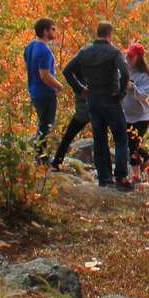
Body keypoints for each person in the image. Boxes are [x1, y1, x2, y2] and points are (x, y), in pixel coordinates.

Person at [63, 22, 133, 191]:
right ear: (110, 34)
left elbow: (67, 71)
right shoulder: (114, 52)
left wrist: (80, 88)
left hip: (93, 100)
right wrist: (121, 94)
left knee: (99, 139)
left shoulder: (85, 51)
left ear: (98, 33)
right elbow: (125, 73)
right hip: (111, 99)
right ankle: (121, 176)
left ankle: (104, 178)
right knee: (121, 139)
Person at [24, 18, 62, 164]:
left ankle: (40, 155)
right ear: (45, 31)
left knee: (43, 123)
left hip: (34, 91)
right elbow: (44, 75)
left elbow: (28, 65)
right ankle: (41, 158)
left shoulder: (30, 46)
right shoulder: (44, 50)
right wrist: (59, 86)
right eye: (52, 29)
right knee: (46, 125)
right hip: (45, 93)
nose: (54, 32)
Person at [122, 42, 149, 183]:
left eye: (131, 56)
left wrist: (132, 87)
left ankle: (145, 172)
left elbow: (144, 95)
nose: (128, 58)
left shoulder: (144, 76)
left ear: (139, 57)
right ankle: (140, 175)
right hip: (127, 115)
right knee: (132, 146)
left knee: (134, 145)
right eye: (128, 55)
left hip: (141, 116)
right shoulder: (124, 69)